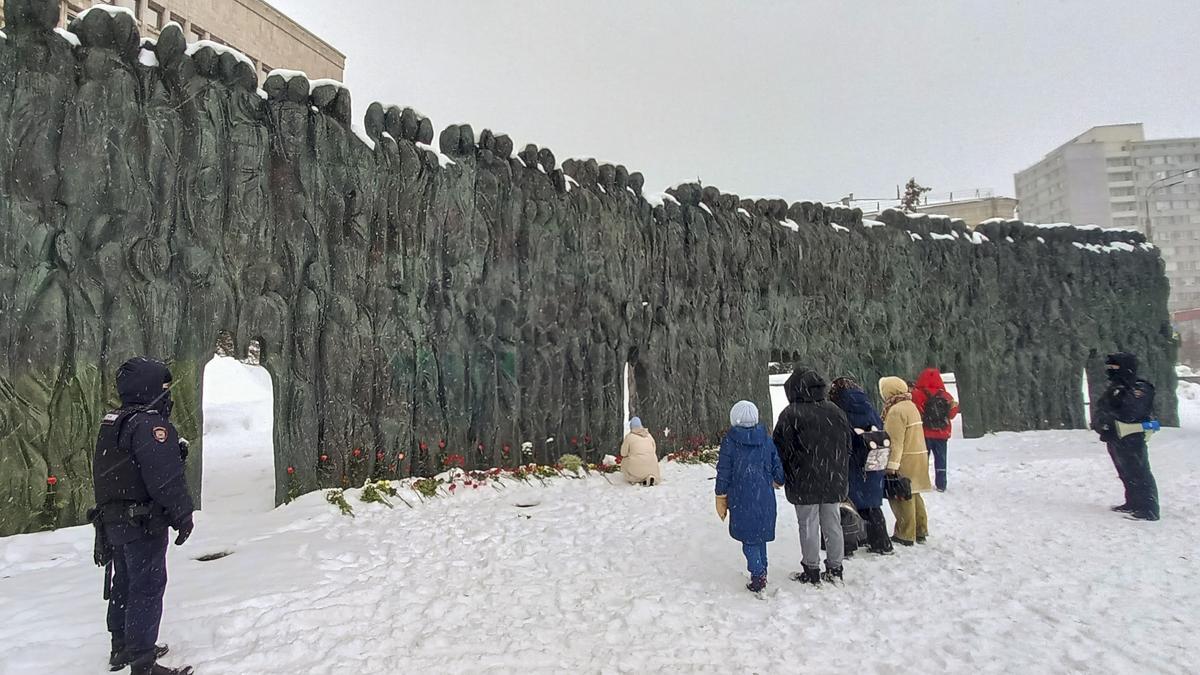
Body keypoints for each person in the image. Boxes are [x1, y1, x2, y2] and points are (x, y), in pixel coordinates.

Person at [90, 357, 195, 675]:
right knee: (147, 586)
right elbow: (164, 478)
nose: (167, 393)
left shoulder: (114, 420)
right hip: (144, 522)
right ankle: (143, 662)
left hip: (115, 521)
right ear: (149, 387)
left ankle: (122, 646)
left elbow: (112, 470)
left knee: (124, 582)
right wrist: (183, 513)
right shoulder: (151, 425)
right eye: (164, 387)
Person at [773, 367, 851, 584]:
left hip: (803, 478)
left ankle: (811, 568)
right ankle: (836, 568)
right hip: (833, 477)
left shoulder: (791, 414)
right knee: (832, 523)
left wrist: (783, 472)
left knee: (808, 524)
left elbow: (781, 448)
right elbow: (848, 444)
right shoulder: (835, 411)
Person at [715, 401, 785, 593]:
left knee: (749, 541)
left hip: (741, 498)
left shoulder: (730, 443)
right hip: (764, 497)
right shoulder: (766, 440)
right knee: (759, 536)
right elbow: (777, 466)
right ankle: (763, 569)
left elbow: (724, 471)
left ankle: (758, 575)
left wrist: (720, 493)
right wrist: (777, 480)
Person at [1091, 352, 1160, 521]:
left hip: (1131, 436)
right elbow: (1102, 408)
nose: (1110, 371)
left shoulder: (1139, 388)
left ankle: (1148, 508)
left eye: (1114, 367)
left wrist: (1110, 418)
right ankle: (1133, 502)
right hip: (1115, 436)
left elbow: (1131, 413)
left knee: (1139, 471)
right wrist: (1103, 424)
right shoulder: (1115, 388)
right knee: (1125, 472)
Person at [829, 377, 893, 555]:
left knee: (846, 505)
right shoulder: (868, 406)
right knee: (872, 505)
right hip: (873, 462)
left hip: (851, 464)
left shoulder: (839, 409)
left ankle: (849, 543)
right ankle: (881, 542)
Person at [879, 377, 932, 546]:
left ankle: (905, 533)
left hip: (905, 458)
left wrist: (891, 466)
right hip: (918, 455)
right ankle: (920, 529)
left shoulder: (895, 411)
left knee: (902, 497)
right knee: (915, 494)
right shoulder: (910, 405)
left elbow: (895, 442)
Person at [912, 368, 959, 492]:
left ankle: (922, 482)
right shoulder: (946, 395)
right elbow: (952, 414)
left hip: (924, 432)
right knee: (941, 459)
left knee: (923, 459)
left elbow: (915, 412)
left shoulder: (917, 394)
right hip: (942, 433)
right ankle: (941, 484)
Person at [620, 417, 661, 486]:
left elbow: (623, 453)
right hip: (651, 466)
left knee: (624, 460)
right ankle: (649, 477)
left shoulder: (629, 437)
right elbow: (654, 449)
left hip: (636, 468)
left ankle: (635, 479)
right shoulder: (649, 435)